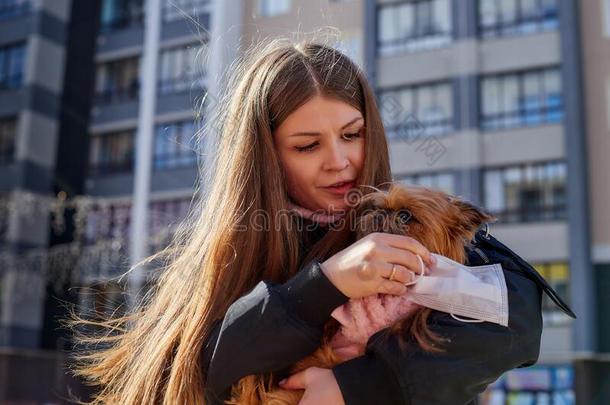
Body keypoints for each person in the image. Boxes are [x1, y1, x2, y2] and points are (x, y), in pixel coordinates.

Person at [69, 40, 574, 405]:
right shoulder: (223, 253)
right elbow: (200, 366)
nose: (340, 162)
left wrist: (356, 388)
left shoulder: (413, 220)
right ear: (263, 157)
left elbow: (517, 317)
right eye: (307, 146)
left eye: (352, 135)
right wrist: (325, 284)